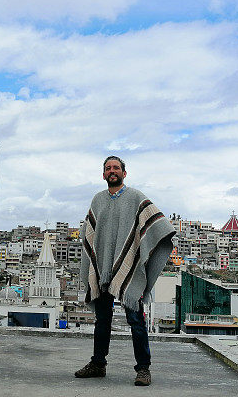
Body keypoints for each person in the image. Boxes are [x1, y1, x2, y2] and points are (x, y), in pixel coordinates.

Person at [74, 156, 175, 387]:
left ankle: (143, 369)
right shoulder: (97, 200)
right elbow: (89, 233)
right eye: (108, 168)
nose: (112, 171)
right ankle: (98, 364)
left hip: (129, 270)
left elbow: (157, 223)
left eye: (116, 168)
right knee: (102, 320)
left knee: (136, 320)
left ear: (124, 173)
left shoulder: (137, 198)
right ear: (103, 174)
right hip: (102, 269)